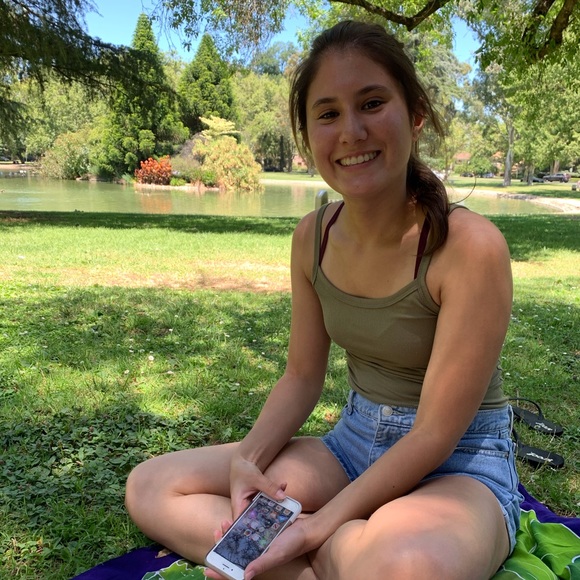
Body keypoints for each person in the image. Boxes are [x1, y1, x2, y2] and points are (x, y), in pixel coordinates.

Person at [125, 20, 522, 579]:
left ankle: (321, 554)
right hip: (353, 443)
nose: (351, 131)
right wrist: (247, 461)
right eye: (328, 113)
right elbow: (301, 376)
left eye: (372, 103)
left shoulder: (471, 248)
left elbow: (435, 435)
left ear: (415, 114)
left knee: (408, 567)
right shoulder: (313, 237)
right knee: (152, 486)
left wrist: (317, 526)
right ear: (308, 134)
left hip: (458, 465)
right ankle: (331, 561)